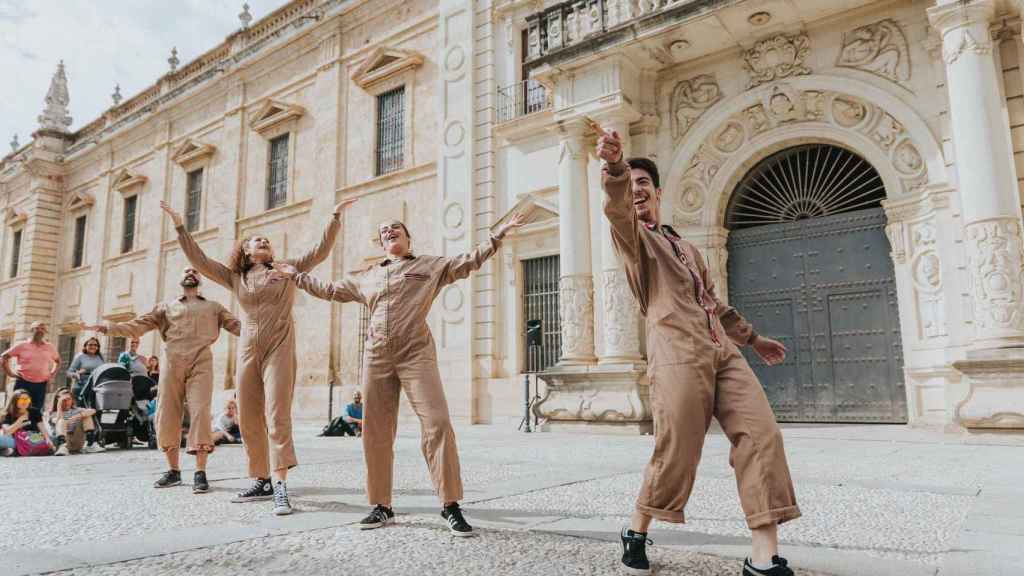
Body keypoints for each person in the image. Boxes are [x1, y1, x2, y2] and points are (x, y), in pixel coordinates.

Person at [594, 123, 799, 576]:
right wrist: (612, 168)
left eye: (642, 182)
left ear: (658, 191)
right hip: (675, 352)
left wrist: (752, 338)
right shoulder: (634, 240)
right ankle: (637, 528)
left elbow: (713, 302)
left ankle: (763, 556)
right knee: (678, 448)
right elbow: (616, 209)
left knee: (762, 435)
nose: (636, 190)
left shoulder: (688, 249)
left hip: (721, 350)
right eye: (630, 185)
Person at [270, 212, 526, 536]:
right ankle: (381, 505)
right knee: (375, 431)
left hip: (415, 353)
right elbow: (330, 290)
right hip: (377, 357)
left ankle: (450, 505)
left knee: (438, 422)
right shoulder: (366, 276)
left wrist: (497, 235)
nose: (389, 230)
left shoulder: (430, 266)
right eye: (383, 230)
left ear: (407, 238)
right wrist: (296, 275)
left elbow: (469, 261)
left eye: (396, 228)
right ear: (381, 243)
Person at [163, 197, 351, 516]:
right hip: (248, 350)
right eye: (256, 240)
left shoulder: (287, 268)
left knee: (277, 415)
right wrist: (181, 226)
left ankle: (280, 485)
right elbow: (201, 259)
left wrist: (334, 218)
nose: (263, 242)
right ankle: (261, 478)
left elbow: (320, 251)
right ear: (246, 251)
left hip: (279, 347)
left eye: (266, 240)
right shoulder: (235, 277)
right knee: (249, 417)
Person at [82, 266, 241, 495]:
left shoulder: (214, 307)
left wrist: (267, 333)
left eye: (194, 271)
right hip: (171, 361)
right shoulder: (165, 307)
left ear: (199, 280)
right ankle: (173, 470)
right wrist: (107, 328)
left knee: (200, 412)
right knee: (166, 413)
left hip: (201, 362)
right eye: (185, 270)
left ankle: (200, 472)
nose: (189, 271)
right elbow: (138, 324)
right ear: (180, 280)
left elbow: (238, 327)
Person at [1, 321, 61, 410]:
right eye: (37, 328)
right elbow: (4, 357)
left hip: (41, 384)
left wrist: (52, 374)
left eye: (43, 329)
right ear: (31, 330)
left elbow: (58, 361)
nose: (40, 330)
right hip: (23, 382)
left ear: (45, 332)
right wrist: (10, 373)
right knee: (18, 408)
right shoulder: (22, 345)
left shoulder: (50, 347)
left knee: (36, 410)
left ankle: (33, 424)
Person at [48, 387, 105, 455]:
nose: (66, 402)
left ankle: (90, 445)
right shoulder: (53, 413)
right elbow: (56, 421)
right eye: (64, 400)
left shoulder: (77, 410)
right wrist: (59, 406)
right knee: (61, 421)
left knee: (86, 416)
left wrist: (77, 416)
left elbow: (93, 411)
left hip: (77, 441)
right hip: (62, 443)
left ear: (72, 399)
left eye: (68, 399)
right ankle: (62, 446)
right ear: (58, 400)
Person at [2, 389, 55, 455]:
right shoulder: (8, 414)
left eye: (27, 399)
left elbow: (42, 428)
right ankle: (14, 450)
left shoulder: (34, 412)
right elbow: (7, 431)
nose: (25, 402)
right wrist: (20, 421)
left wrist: (47, 439)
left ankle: (13, 450)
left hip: (34, 438)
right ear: (15, 401)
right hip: (16, 440)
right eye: (22, 399)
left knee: (52, 438)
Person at [67, 337, 104, 403]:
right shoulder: (80, 356)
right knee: (81, 410)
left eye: (95, 345)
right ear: (85, 346)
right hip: (81, 387)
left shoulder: (100, 356)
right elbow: (69, 372)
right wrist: (77, 374)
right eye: (90, 345)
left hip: (96, 387)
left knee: (94, 410)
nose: (93, 347)